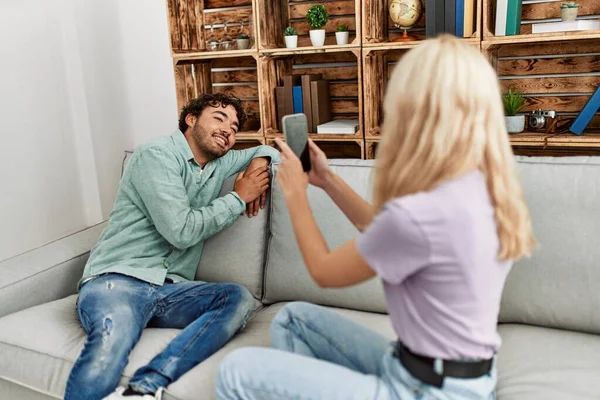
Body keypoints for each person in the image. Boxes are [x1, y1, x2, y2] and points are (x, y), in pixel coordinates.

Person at [215, 35, 535, 400]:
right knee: (294, 319)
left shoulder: (423, 214)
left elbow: (324, 270)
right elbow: (387, 230)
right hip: (450, 377)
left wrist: (296, 194)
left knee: (235, 372)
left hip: (424, 391)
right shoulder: (479, 187)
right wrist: (327, 179)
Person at [64, 93, 280, 400]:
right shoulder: (156, 155)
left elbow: (269, 148)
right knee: (115, 338)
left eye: (234, 128)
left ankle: (144, 388)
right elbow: (180, 231)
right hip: (118, 280)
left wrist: (260, 159)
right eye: (218, 119)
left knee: (237, 298)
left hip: (169, 290)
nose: (227, 131)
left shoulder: (220, 163)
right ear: (191, 120)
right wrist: (237, 198)